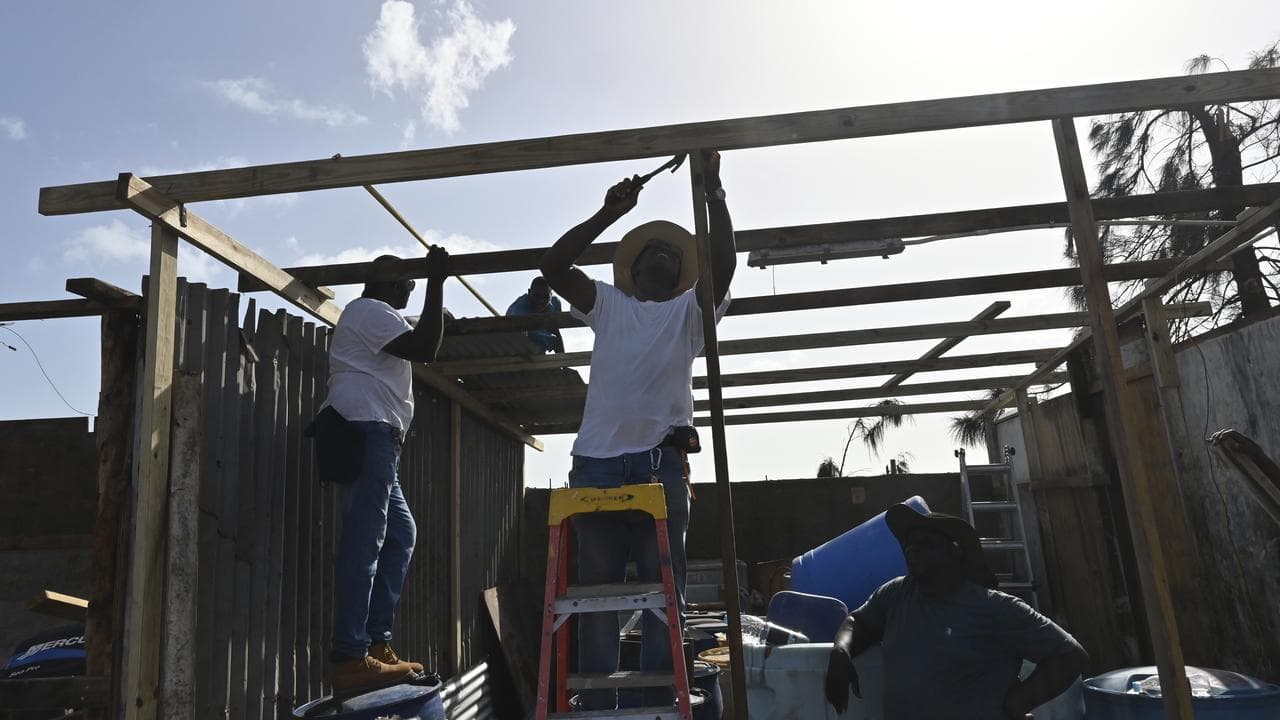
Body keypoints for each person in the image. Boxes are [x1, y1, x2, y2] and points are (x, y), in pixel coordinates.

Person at [539, 150, 735, 710]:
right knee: (598, 590)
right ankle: (600, 707)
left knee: (658, 591)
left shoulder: (689, 316)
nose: (666, 258)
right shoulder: (608, 304)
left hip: (660, 464)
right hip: (598, 463)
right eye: (656, 251)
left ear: (680, 278)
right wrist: (609, 213)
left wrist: (713, 192)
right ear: (636, 265)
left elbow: (723, 265)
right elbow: (552, 268)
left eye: (676, 257)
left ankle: (656, 697)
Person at [317, 247, 450, 693]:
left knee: (399, 535)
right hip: (367, 431)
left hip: (380, 438)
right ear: (390, 282)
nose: (411, 292)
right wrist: (437, 279)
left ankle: (374, 644)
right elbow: (425, 347)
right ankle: (351, 655)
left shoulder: (374, 316)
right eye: (409, 285)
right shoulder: (370, 309)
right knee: (366, 540)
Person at [825, 503, 1090, 719]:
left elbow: (1070, 656)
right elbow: (859, 622)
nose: (912, 549)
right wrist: (841, 652)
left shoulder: (994, 608)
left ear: (955, 553)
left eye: (926, 543)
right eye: (909, 542)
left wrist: (1016, 703)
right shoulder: (896, 594)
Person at [505, 276, 564, 353]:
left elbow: (555, 332)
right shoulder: (520, 308)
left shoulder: (555, 303)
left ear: (551, 295)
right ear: (529, 292)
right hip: (514, 343)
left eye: (545, 297)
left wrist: (563, 363)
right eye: (537, 296)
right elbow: (520, 338)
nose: (541, 301)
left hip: (539, 340)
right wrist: (551, 341)